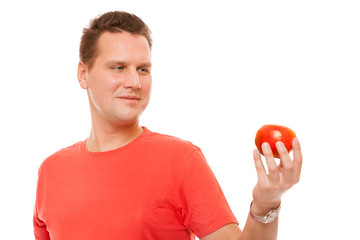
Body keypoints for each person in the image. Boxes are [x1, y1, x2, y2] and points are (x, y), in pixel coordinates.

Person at [33, 11, 302, 240]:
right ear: (84, 74)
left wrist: (266, 203)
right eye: (118, 67)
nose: (134, 83)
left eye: (143, 69)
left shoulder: (181, 159)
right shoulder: (50, 171)